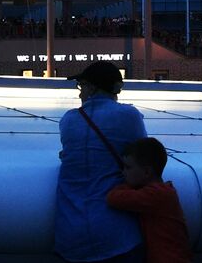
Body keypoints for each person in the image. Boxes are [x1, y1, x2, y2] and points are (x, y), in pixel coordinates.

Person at [56, 61, 149, 263]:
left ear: (92, 87)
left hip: (70, 232)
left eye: (81, 87)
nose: (80, 94)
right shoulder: (129, 116)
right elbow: (145, 156)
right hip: (117, 232)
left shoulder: (69, 120)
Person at [105, 137, 192, 263]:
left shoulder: (155, 195)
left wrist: (125, 185)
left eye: (128, 168)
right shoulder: (164, 192)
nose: (123, 173)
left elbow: (113, 198)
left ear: (146, 172)